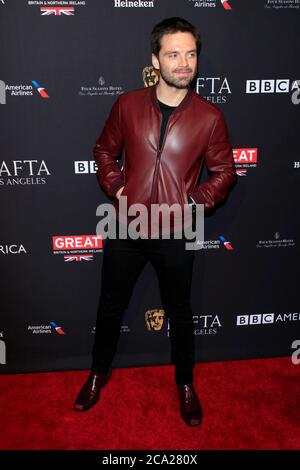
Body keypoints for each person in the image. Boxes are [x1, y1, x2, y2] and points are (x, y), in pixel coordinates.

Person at [73, 17, 237, 427]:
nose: (184, 63)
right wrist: (117, 187)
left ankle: (185, 383)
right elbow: (103, 150)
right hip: (127, 226)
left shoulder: (210, 117)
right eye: (174, 54)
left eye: (191, 54)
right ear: (155, 59)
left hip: (177, 231)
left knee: (180, 311)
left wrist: (193, 203)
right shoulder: (127, 105)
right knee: (111, 305)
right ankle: (97, 373)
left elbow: (225, 172)